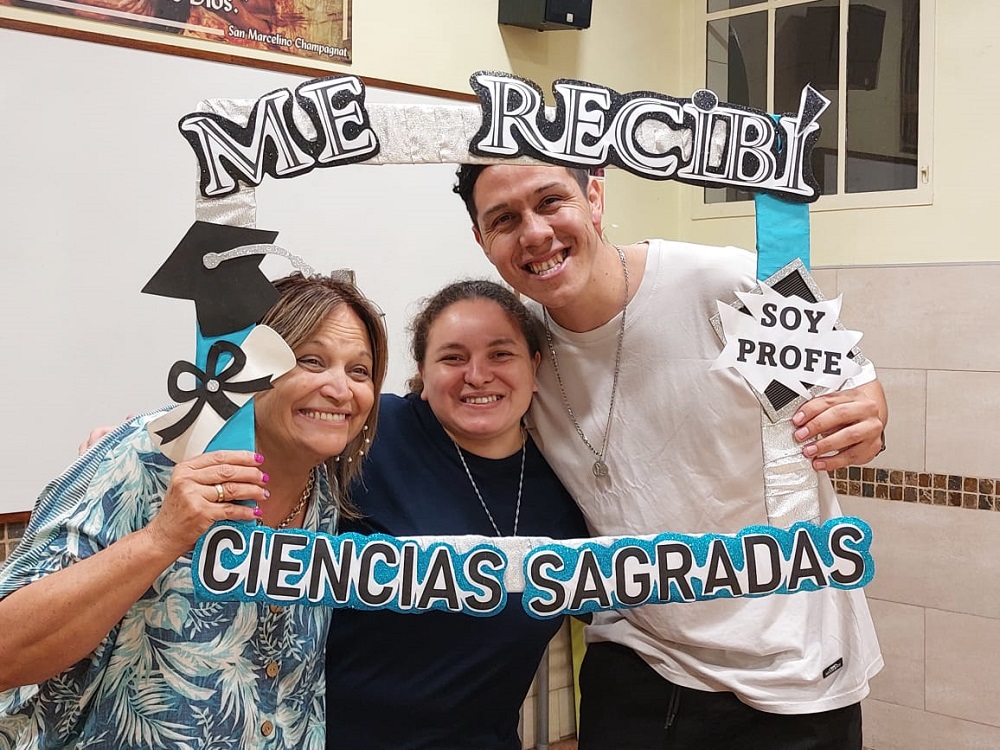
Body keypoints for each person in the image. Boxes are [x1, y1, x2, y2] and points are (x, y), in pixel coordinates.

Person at [454, 163, 889, 749]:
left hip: (792, 673)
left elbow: (859, 394)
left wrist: (866, 422)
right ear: (483, 241)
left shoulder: (730, 282)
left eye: (550, 201)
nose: (534, 233)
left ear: (595, 197)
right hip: (636, 664)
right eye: (504, 219)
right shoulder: (518, 351)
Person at [0, 273, 388, 749]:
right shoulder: (150, 455)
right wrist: (161, 538)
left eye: (359, 371)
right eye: (311, 360)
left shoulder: (324, 492)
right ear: (249, 368)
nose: (341, 389)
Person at [324, 279, 589, 749]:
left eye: (500, 354)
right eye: (452, 358)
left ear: (534, 367)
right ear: (423, 374)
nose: (477, 375)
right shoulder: (368, 435)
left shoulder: (567, 481)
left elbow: (629, 602)